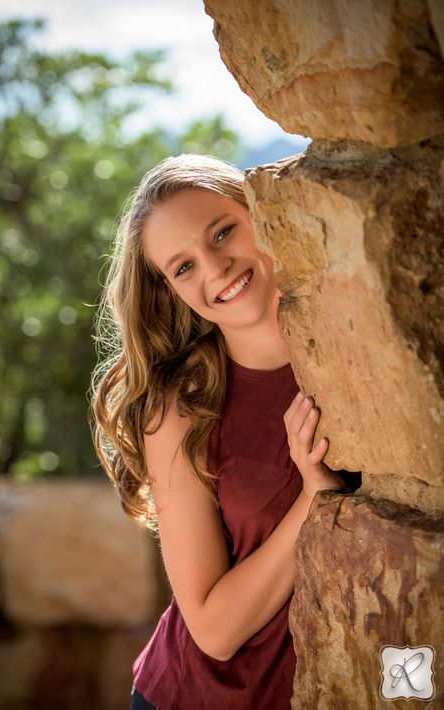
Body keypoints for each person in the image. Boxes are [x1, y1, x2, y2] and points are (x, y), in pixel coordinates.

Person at [90, 153, 355, 709]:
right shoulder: (180, 408)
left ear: (260, 215)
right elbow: (212, 628)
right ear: (169, 291)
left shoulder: (357, 338)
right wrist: (314, 496)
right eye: (183, 267)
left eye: (223, 232)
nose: (215, 269)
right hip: (196, 698)